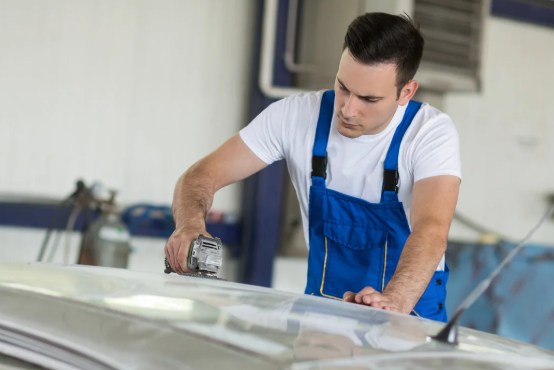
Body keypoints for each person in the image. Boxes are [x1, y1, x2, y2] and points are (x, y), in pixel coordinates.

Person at [165, 12, 461, 321]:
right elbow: (201, 175)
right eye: (343, 87)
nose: (347, 109)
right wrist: (189, 225)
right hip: (324, 313)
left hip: (408, 313)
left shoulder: (430, 133)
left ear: (406, 92)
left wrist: (394, 301)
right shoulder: (294, 117)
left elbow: (431, 228)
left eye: (369, 99)